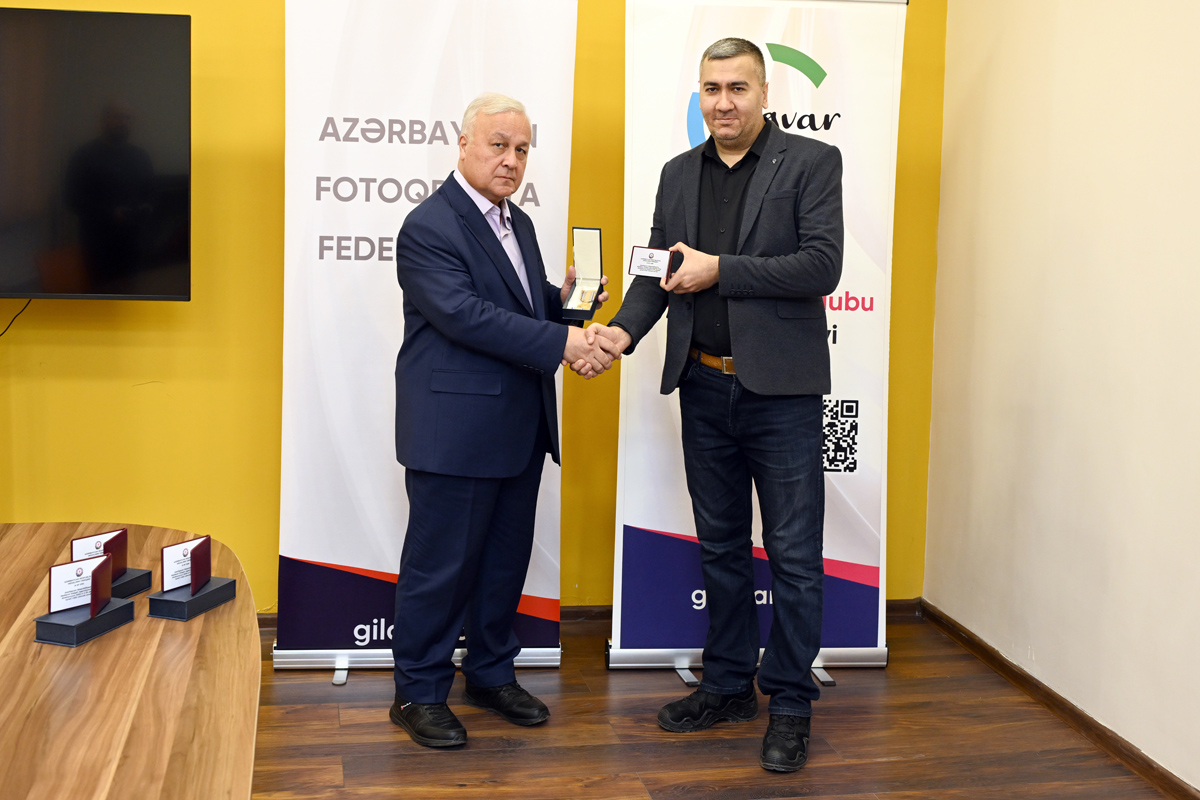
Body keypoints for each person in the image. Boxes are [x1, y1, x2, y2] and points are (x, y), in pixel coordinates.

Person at [587, 38, 843, 772]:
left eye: (737, 88)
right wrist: (618, 335)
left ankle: (789, 701)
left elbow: (821, 265)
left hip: (783, 395)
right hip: (701, 385)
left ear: (764, 93)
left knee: (794, 556)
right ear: (698, 95)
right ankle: (729, 684)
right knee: (722, 547)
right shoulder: (677, 173)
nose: (723, 102)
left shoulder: (811, 162)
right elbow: (655, 273)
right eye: (711, 89)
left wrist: (720, 270)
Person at [390, 92, 615, 748]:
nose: (511, 160)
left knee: (501, 566)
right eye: (498, 145)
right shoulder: (429, 226)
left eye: (521, 149)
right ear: (463, 145)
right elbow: (466, 315)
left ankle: (489, 674)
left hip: (517, 428)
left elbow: (517, 303)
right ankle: (418, 692)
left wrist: (565, 303)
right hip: (455, 434)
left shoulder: (520, 223)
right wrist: (566, 343)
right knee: (440, 571)